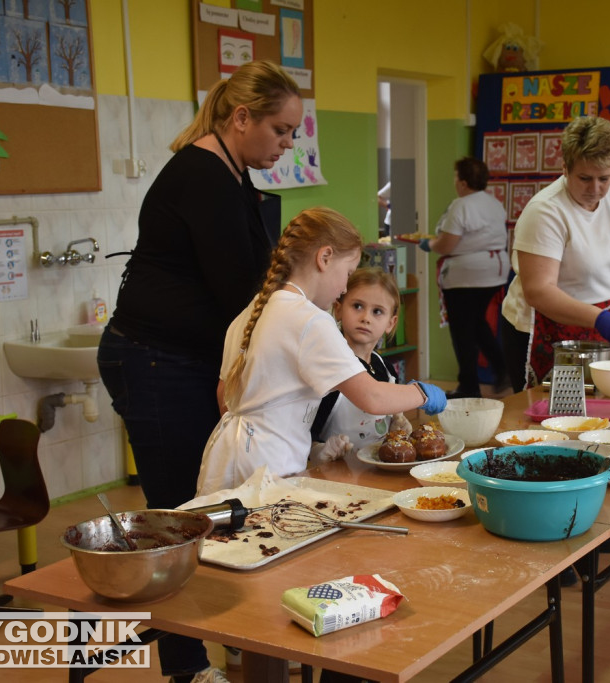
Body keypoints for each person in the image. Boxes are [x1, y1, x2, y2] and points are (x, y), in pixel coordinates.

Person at [96, 59, 303, 683]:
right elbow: (241, 288)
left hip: (182, 357)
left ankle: (232, 631)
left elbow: (257, 278)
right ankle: (185, 665)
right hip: (153, 360)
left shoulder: (232, 171)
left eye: (294, 132)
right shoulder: (201, 175)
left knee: (222, 504)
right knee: (179, 518)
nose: (289, 144)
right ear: (241, 118)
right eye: (281, 130)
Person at [196, 208, 446, 495]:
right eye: (347, 273)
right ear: (325, 257)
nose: (343, 289)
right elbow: (372, 397)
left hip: (230, 457)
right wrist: (423, 393)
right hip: (270, 466)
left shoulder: (253, 309)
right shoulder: (310, 320)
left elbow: (223, 396)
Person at [499, 115, 610, 393]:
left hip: (602, 323)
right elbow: (539, 291)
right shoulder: (545, 211)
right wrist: (598, 318)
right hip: (545, 328)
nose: (595, 189)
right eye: (584, 178)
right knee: (552, 416)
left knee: (598, 409)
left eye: (604, 178)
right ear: (565, 168)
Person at [418, 157, 510, 398]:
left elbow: (447, 244)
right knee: (478, 323)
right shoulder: (493, 203)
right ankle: (501, 368)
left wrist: (429, 244)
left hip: (466, 275)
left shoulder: (462, 204)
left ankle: (468, 386)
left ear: (463, 181)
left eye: (456, 177)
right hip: (496, 270)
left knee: (462, 331)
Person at [309, 267, 414, 459]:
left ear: (391, 323)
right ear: (338, 309)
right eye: (357, 306)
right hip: (336, 476)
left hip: (378, 472)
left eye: (377, 311)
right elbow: (306, 433)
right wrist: (319, 450)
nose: (366, 318)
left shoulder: (388, 370)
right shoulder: (330, 368)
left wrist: (396, 425)